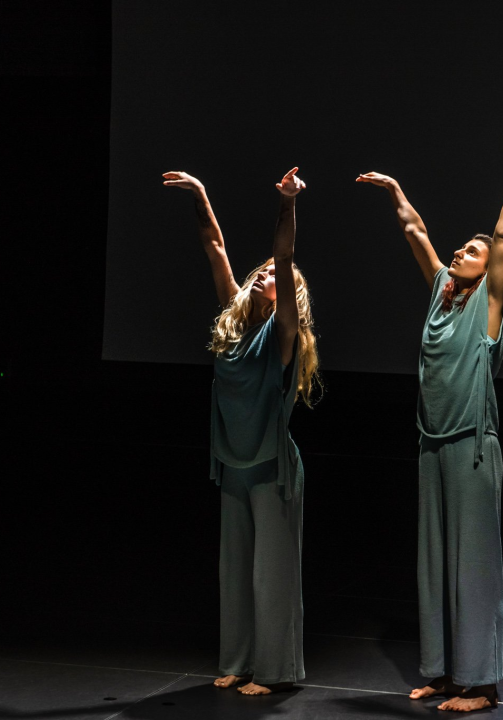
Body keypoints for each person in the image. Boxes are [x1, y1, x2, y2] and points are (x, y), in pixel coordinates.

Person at [357, 147, 503, 712]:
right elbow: (415, 231)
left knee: (472, 566)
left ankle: (483, 685)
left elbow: (502, 234)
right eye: (461, 250)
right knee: (436, 562)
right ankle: (446, 673)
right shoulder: (439, 300)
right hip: (432, 444)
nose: (459, 253)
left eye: (470, 252)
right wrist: (395, 189)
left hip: (473, 446)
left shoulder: (489, 305)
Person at [162, 166, 320, 695]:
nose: (263, 275)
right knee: (236, 570)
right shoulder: (236, 324)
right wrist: (202, 193)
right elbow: (214, 246)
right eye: (259, 273)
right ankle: (240, 659)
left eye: (273, 276)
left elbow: (283, 255)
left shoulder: (282, 334)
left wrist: (287, 205)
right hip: (232, 461)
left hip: (272, 465)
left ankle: (275, 672)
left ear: (287, 295)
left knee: (270, 575)